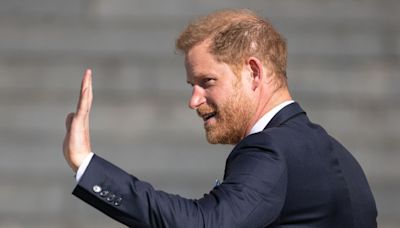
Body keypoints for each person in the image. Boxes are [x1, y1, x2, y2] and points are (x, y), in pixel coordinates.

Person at [63, 9, 377, 228]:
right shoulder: (341, 157)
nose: (193, 100)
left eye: (207, 81)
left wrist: (87, 164)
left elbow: (204, 223)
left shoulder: (271, 149)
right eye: (192, 85)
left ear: (253, 72)